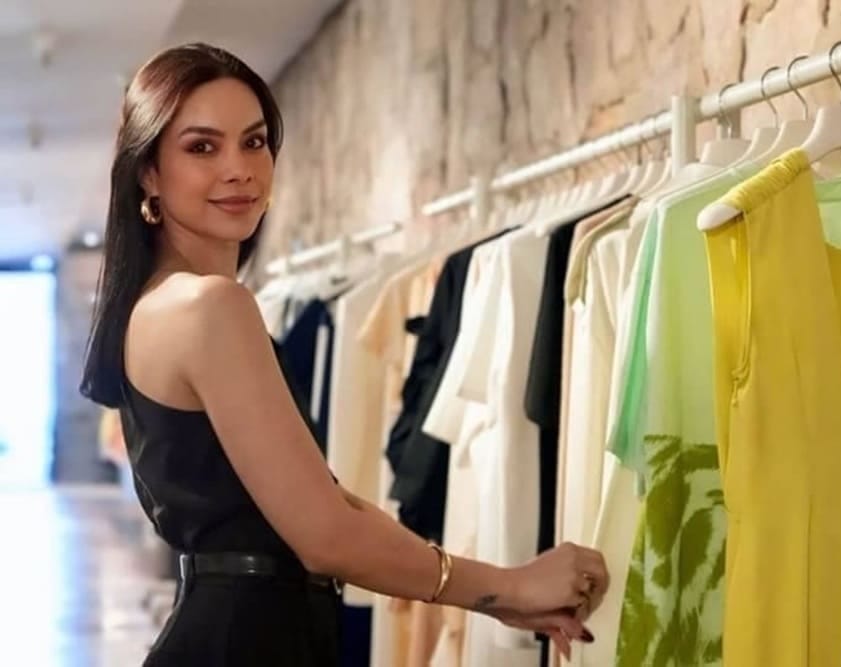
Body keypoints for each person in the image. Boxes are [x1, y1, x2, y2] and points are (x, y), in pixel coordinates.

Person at [80, 43, 609, 666]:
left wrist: (497, 590)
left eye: (253, 142)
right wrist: (507, 586)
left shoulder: (162, 304)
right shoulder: (209, 308)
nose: (239, 168)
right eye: (202, 147)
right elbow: (326, 536)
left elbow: (326, 504)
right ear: (149, 172)